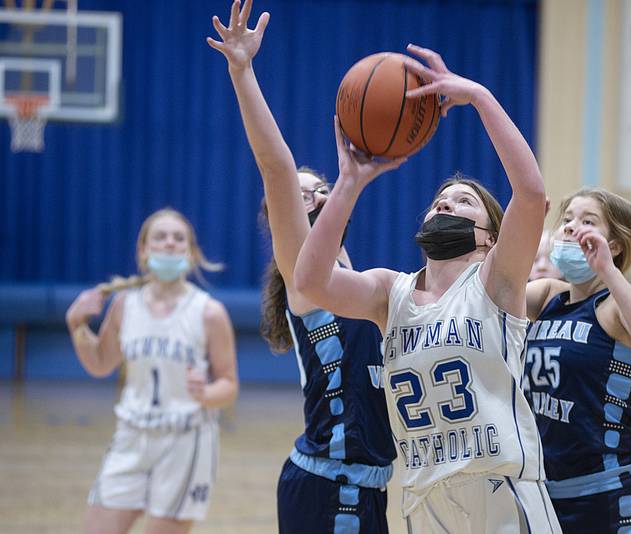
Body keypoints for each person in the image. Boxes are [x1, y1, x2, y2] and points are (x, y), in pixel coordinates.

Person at [294, 44, 562, 533]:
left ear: (490, 236)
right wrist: (350, 182)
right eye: (440, 200)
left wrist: (479, 97)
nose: (447, 204)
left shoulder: (497, 281)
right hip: (423, 497)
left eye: (465, 202)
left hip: (500, 487)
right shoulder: (387, 293)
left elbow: (532, 193)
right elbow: (309, 280)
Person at [207, 2, 396, 532]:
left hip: (365, 488)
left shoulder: (363, 282)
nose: (315, 194)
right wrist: (243, 73)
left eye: (322, 189)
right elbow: (277, 165)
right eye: (303, 195)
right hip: (330, 486)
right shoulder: (305, 278)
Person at [64, 208, 239, 534]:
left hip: (185, 442)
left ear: (191, 252)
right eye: (160, 237)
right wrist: (76, 326)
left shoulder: (209, 313)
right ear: (143, 251)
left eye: (178, 238)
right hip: (131, 436)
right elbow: (100, 364)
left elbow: (228, 385)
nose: (170, 243)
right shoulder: (124, 307)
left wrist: (206, 392)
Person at [524, 188, 631, 533]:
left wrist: (607, 271)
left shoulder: (617, 305)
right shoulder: (548, 295)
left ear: (615, 244)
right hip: (546, 494)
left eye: (587, 221)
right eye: (568, 219)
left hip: (606, 494)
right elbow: (486, 294)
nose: (572, 227)